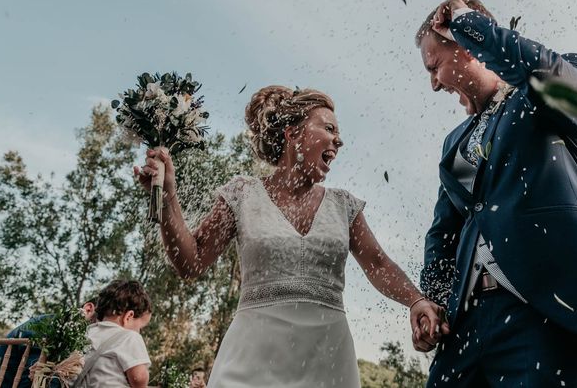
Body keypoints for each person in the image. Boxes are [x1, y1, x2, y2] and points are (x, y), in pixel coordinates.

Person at [413, 0, 577, 387]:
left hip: (549, 311)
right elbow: (444, 231)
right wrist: (434, 299)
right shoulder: (454, 141)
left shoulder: (552, 85)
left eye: (434, 66)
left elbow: (573, 94)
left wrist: (468, 22)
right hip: (465, 325)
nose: (434, 84)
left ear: (466, 46)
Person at [136, 85, 444, 388]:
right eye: (329, 128)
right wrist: (167, 198)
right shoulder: (242, 194)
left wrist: (416, 301)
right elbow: (191, 263)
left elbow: (378, 264)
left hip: (328, 360)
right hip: (251, 359)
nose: (340, 140)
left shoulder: (344, 205)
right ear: (292, 134)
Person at [0, 302, 96, 388]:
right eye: (99, 323)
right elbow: (31, 380)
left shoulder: (60, 329)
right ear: (89, 309)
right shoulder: (49, 327)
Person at [75, 279, 152, 388]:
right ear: (129, 316)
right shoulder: (130, 337)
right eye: (140, 327)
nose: (139, 332)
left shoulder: (86, 332)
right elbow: (138, 377)